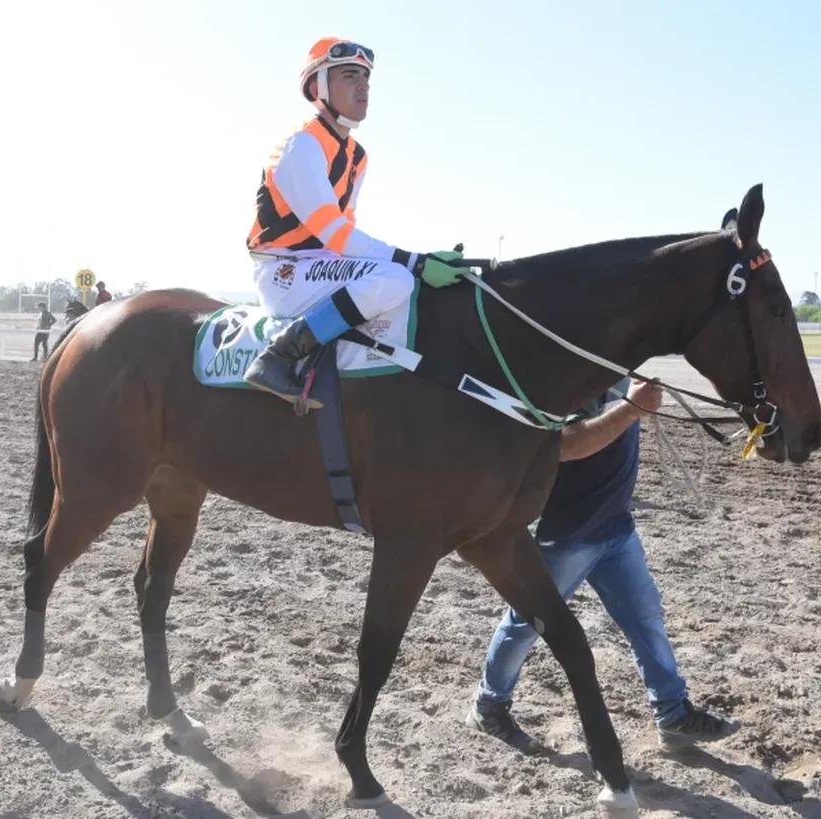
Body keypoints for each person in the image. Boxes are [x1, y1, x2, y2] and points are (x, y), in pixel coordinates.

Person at [466, 378, 742, 750]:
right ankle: (489, 705)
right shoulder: (570, 377)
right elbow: (568, 443)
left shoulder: (622, 368)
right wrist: (632, 408)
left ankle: (672, 714)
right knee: (527, 621)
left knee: (646, 619)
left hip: (617, 529)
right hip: (570, 534)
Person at [243, 37, 468, 406]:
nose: (363, 85)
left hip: (320, 266)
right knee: (396, 277)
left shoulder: (356, 155)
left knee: (406, 282)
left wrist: (420, 262)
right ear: (318, 87)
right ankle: (277, 357)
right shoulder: (302, 143)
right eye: (350, 76)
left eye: (366, 78)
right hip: (284, 272)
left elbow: (345, 237)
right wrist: (416, 262)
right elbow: (335, 234)